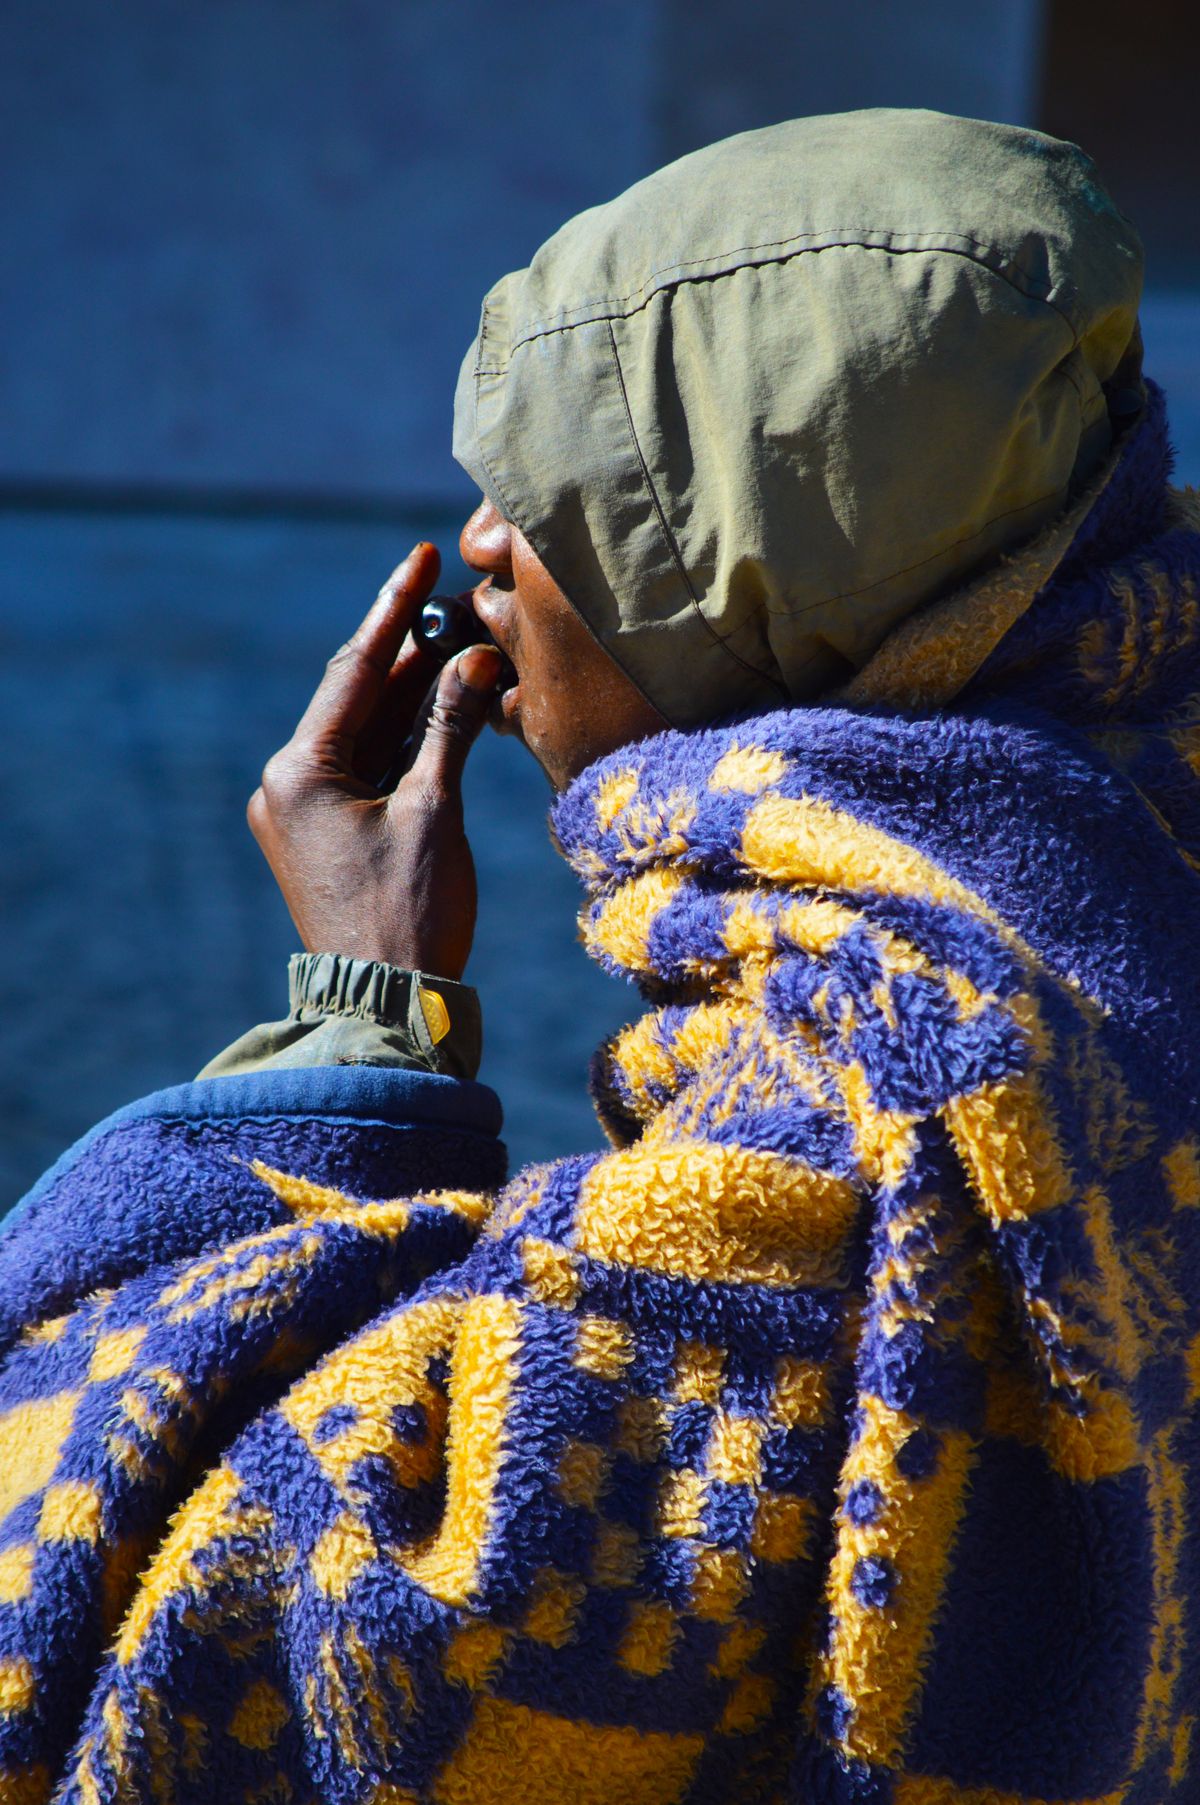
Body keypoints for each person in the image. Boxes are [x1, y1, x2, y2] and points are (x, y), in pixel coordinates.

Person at [0, 107, 1197, 1805]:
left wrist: (358, 1040)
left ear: (786, 585)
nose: (484, 546)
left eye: (587, 493)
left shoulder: (825, 1191)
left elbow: (138, 1626)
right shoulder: (1146, 833)